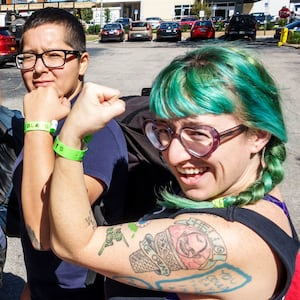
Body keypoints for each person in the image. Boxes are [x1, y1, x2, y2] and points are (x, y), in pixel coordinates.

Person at [47, 46, 300, 300]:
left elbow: (75, 245)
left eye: (200, 134)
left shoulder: (225, 240)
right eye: (165, 130)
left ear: (258, 135)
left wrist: (71, 136)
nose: (173, 155)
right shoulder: (251, 193)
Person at [12, 7, 128, 300]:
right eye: (28, 56)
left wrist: (35, 124)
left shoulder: (95, 131)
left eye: (54, 55)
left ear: (82, 62)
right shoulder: (49, 117)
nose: (38, 68)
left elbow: (41, 234)